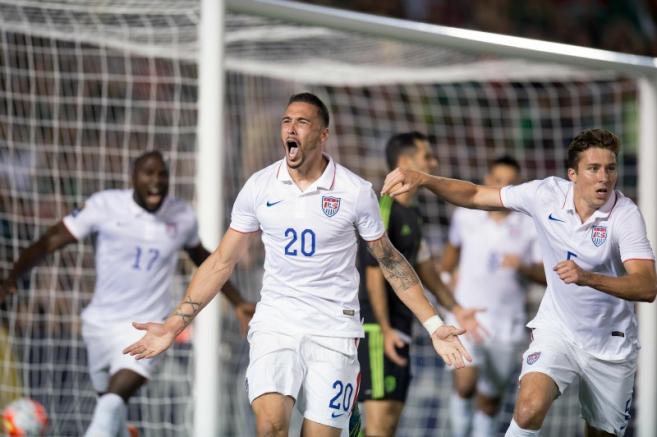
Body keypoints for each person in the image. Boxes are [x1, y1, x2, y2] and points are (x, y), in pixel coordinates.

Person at [123, 93, 471, 437]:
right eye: (286, 121)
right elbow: (220, 262)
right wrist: (172, 326)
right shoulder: (259, 186)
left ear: (323, 135)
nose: (291, 128)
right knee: (271, 425)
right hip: (277, 322)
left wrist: (434, 324)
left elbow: (390, 261)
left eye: (302, 122)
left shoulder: (354, 191)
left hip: (335, 330)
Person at [381, 128, 657, 437]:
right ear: (573, 174)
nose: (604, 177)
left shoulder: (626, 215)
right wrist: (426, 180)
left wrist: (586, 277)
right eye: (593, 168)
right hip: (559, 330)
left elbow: (646, 287)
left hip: (610, 342)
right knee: (527, 409)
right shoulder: (545, 195)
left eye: (610, 168)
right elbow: (474, 194)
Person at [0, 150, 255, 437]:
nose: (156, 181)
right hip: (99, 325)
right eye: (148, 173)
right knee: (110, 409)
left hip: (147, 327)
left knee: (111, 403)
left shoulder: (181, 215)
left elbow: (205, 259)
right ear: (132, 177)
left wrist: (238, 301)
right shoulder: (104, 206)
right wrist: (12, 277)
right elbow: (50, 242)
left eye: (162, 174)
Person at [357, 131, 483, 437]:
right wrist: (384, 329)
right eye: (427, 156)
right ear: (404, 162)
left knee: (389, 422)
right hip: (376, 328)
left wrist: (456, 308)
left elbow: (426, 269)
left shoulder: (413, 213)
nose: (434, 162)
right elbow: (374, 271)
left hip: (402, 326)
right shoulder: (383, 207)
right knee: (378, 422)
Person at [439, 155, 544, 437]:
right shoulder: (465, 216)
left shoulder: (530, 225)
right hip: (466, 315)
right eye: (498, 180)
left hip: (507, 322)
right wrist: (448, 286)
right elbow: (447, 262)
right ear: (488, 180)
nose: (503, 187)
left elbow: (547, 277)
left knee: (489, 401)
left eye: (510, 183)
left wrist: (522, 266)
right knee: (465, 383)